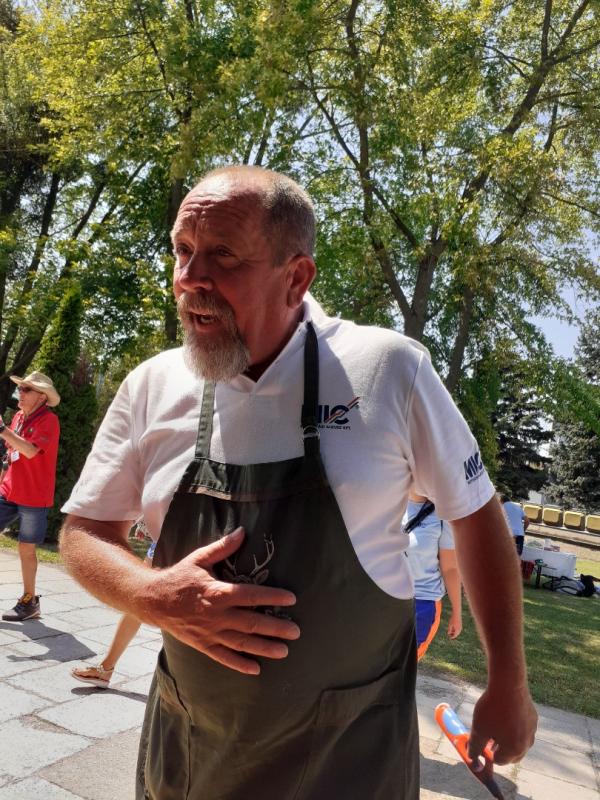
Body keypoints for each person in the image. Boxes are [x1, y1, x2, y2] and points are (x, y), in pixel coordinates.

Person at [60, 165, 537, 799]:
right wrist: (150, 594)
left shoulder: (389, 369)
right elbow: (85, 532)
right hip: (194, 755)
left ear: (297, 277)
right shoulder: (152, 385)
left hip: (351, 758)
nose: (191, 278)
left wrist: (509, 681)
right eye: (182, 250)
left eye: (223, 255)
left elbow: (476, 513)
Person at [1, 371, 60, 622]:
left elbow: (30, 451)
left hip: (34, 497)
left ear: (42, 397)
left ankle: (30, 601)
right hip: (8, 491)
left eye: (26, 390)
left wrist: (2, 429)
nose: (20, 393)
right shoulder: (17, 417)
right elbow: (9, 455)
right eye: (20, 388)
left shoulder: (49, 421)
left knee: (26, 548)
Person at [71, 524, 156, 689]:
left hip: (186, 540)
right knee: (136, 602)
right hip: (167, 538)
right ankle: (106, 668)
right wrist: (147, 522)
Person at [404, 492, 462, 660]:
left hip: (423, 603)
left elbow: (450, 568)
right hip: (386, 598)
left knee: (407, 664)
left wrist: (457, 612)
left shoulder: (442, 517)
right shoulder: (389, 503)